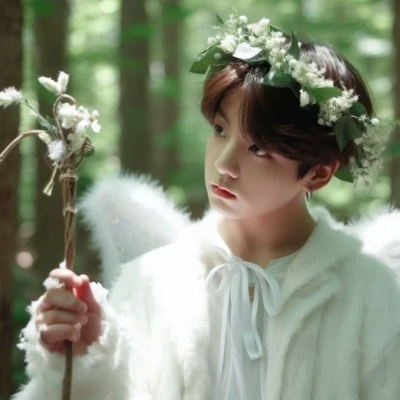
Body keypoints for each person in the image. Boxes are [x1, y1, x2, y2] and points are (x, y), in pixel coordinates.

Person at [12, 12, 400, 400]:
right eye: (219, 129)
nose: (224, 163)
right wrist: (84, 361)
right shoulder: (153, 280)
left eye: (258, 149)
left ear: (318, 173)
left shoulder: (370, 294)